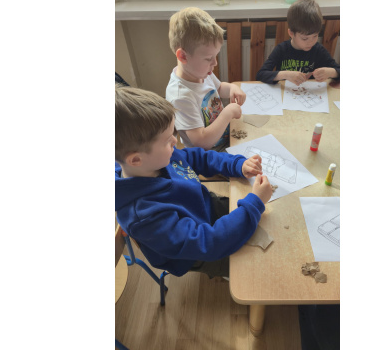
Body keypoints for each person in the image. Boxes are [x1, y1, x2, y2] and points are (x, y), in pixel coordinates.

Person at [115, 86, 272, 279]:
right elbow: (208, 243)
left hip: (204, 207)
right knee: (254, 269)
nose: (175, 142)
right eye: (167, 140)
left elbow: (199, 157)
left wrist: (236, 164)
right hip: (198, 252)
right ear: (136, 160)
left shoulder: (157, 159)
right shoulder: (144, 217)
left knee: (269, 221)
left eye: (173, 134)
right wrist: (255, 203)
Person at [166, 7, 246, 151]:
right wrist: (227, 113)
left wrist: (232, 88)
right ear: (183, 56)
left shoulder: (201, 73)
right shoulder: (181, 96)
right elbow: (201, 142)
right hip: (208, 155)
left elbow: (219, 88)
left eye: (215, 56)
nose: (215, 63)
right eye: (209, 58)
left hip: (224, 139)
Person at [256, 0, 340, 86]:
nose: (311, 42)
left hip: (309, 92)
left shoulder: (319, 50)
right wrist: (285, 74)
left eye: (315, 36)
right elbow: (260, 75)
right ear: (291, 33)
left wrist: (331, 72)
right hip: (285, 92)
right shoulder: (281, 49)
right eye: (305, 38)